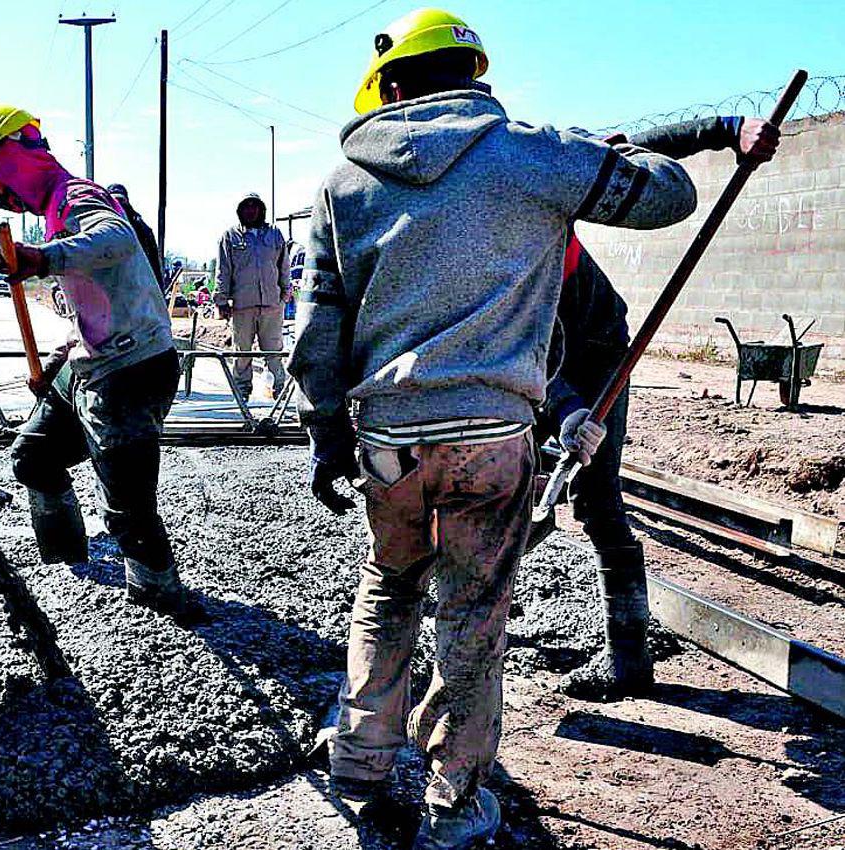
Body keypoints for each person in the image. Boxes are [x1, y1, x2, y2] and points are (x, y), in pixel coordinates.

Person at [289, 9, 696, 848]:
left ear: (391, 89)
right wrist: (619, 147)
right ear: (477, 76)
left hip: (387, 440)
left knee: (389, 584)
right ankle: (452, 800)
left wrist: (326, 440)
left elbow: (315, 333)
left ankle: (361, 762)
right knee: (472, 611)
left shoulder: (342, 184)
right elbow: (669, 194)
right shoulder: (536, 155)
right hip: (492, 434)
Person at [548, 114, 779, 701]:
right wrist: (559, 410)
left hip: (597, 353)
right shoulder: (450, 238)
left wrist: (731, 129)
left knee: (597, 499)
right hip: (523, 365)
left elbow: (635, 147)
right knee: (507, 497)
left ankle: (626, 656)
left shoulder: (539, 169)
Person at [0, 105, 185, 613]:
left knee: (128, 508)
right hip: (94, 362)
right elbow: (97, 301)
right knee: (33, 457)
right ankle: (66, 560)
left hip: (130, 370)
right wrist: (62, 357)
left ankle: (160, 596)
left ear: (13, 153)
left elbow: (117, 239)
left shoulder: (77, 197)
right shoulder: (55, 209)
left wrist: (42, 258)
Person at [216, 193, 289, 400]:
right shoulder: (230, 237)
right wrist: (221, 301)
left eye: (254, 206)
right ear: (240, 211)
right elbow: (223, 270)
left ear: (261, 210)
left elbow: (283, 266)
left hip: (271, 306)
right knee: (242, 353)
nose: (251, 210)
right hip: (243, 306)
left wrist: (285, 293)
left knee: (274, 351)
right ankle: (241, 393)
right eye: (246, 207)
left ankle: (279, 391)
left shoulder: (274, 235)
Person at [106, 183, 162, 282]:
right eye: (115, 202)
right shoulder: (103, 228)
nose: (119, 206)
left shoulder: (142, 228)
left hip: (137, 283)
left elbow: (154, 265)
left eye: (121, 201)